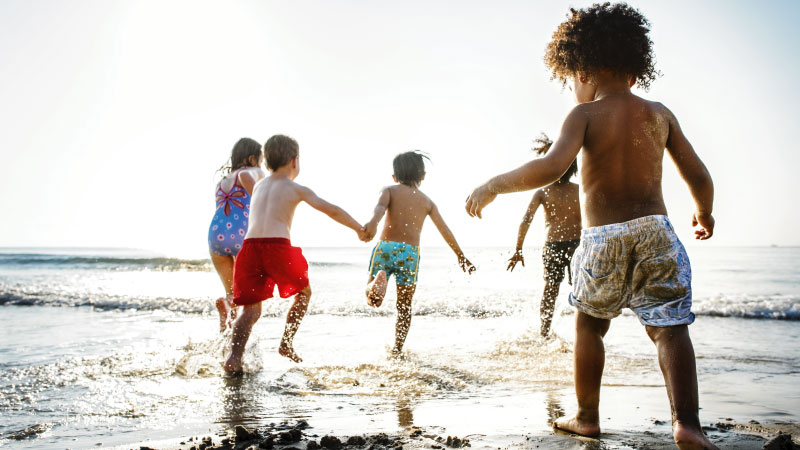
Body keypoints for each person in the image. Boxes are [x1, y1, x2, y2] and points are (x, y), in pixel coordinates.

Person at [464, 4, 717, 449]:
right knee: (670, 328)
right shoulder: (660, 114)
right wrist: (704, 211)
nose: (571, 88)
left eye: (571, 79)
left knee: (589, 325)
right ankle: (687, 424)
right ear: (634, 69)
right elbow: (698, 175)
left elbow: (549, 167)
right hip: (657, 231)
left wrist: (493, 185)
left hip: (602, 238)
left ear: (586, 68)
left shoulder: (583, 117)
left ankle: (586, 417)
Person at [224, 134, 368, 371]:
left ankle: (233, 358)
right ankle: (286, 342)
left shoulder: (259, 185)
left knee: (250, 310)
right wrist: (358, 228)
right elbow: (329, 209)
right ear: (295, 161)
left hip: (248, 249)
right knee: (303, 293)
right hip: (276, 247)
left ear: (267, 162)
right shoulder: (296, 188)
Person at [362, 151, 476, 354]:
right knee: (404, 308)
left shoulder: (389, 190)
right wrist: (460, 255)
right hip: (410, 254)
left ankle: (378, 281)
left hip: (386, 247)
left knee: (372, 298)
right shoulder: (427, 202)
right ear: (423, 176)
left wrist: (372, 223)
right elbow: (444, 230)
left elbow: (379, 209)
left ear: (394, 177)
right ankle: (397, 349)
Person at [507, 133, 581, 337]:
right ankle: (546, 332)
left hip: (567, 245)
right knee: (569, 289)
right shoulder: (564, 192)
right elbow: (526, 220)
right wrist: (518, 249)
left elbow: (526, 221)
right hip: (569, 245)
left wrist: (518, 249)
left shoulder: (550, 192)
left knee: (557, 289)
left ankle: (549, 332)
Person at [208, 138, 266, 332]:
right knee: (251, 301)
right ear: (252, 158)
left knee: (232, 294)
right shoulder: (251, 172)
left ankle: (225, 338)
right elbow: (260, 199)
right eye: (261, 160)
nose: (262, 165)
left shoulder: (222, 181)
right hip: (242, 236)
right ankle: (236, 348)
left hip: (216, 236)